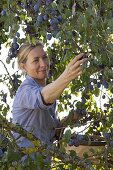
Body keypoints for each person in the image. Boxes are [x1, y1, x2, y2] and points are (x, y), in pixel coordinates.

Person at [12, 41, 87, 167]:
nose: (43, 64)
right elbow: (42, 97)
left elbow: (51, 133)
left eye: (44, 57)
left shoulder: (50, 93)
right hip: (24, 165)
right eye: (36, 60)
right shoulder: (25, 90)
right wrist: (67, 75)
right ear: (23, 66)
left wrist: (69, 120)